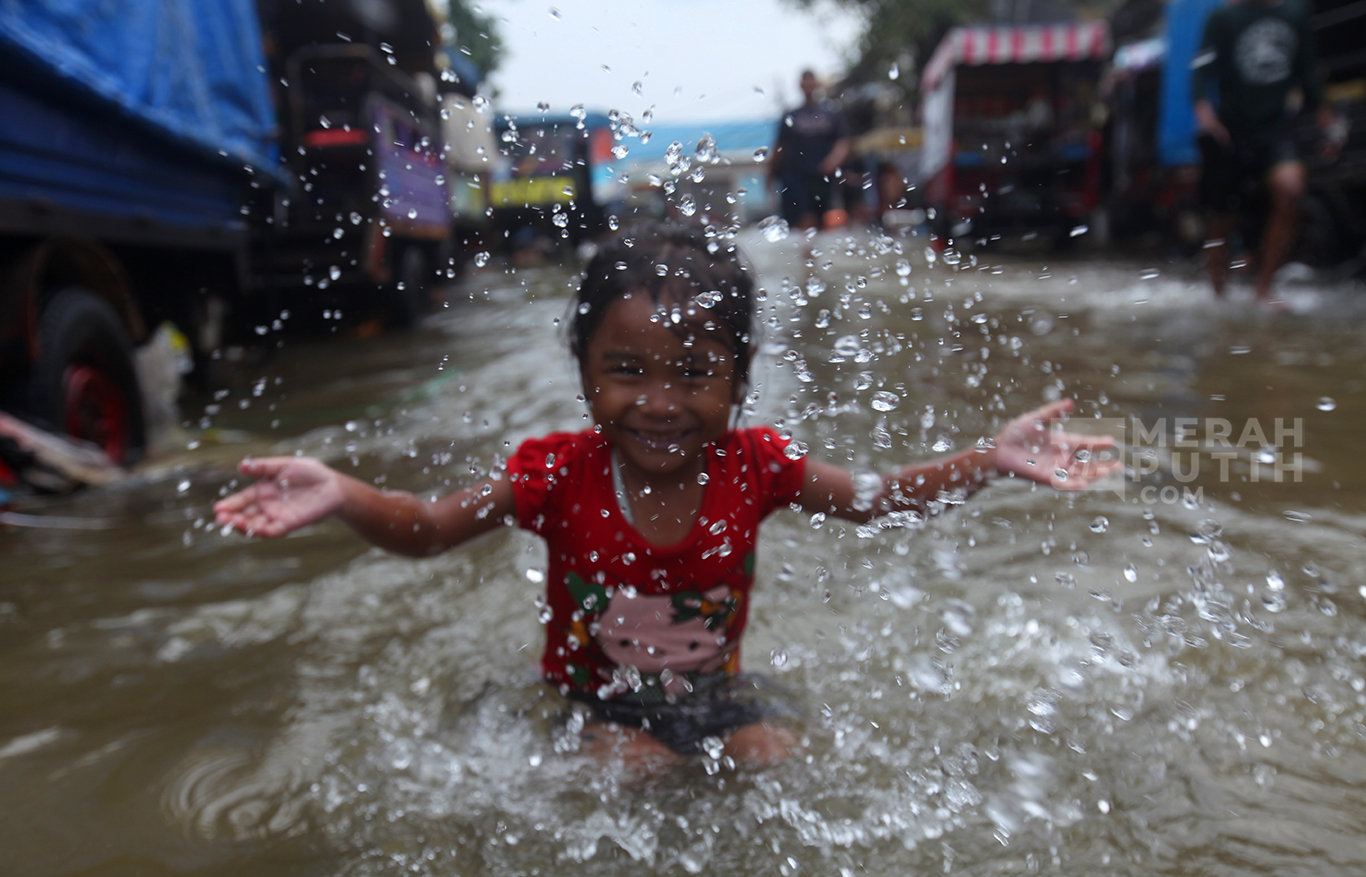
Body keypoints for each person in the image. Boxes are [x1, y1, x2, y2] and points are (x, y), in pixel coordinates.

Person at [214, 223, 1117, 772]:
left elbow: (877, 498)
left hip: (714, 692)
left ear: (740, 377)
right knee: (635, 766)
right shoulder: (555, 474)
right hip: (591, 705)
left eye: (695, 374)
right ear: (583, 372)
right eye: (627, 371)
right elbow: (428, 529)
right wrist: (342, 491)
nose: (660, 402)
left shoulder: (757, 464)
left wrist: (988, 458)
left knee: (778, 760)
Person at [1192, 0, 1336, 306]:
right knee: (1221, 217)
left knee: (1291, 188)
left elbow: (1308, 69)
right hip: (1231, 126)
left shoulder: (1295, 13)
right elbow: (1202, 70)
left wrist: (1324, 118)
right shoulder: (1223, 17)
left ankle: (1264, 288)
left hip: (1277, 126)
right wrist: (1205, 113)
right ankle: (1218, 294)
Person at [768, 70, 851, 232]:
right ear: (800, 85)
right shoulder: (791, 115)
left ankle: (814, 256)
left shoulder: (831, 114)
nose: (808, 86)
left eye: (811, 82)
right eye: (805, 82)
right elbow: (779, 147)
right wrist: (769, 177)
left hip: (822, 176)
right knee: (804, 220)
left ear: (817, 85)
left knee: (822, 222)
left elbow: (844, 143)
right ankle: (805, 256)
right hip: (796, 176)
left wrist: (833, 161)